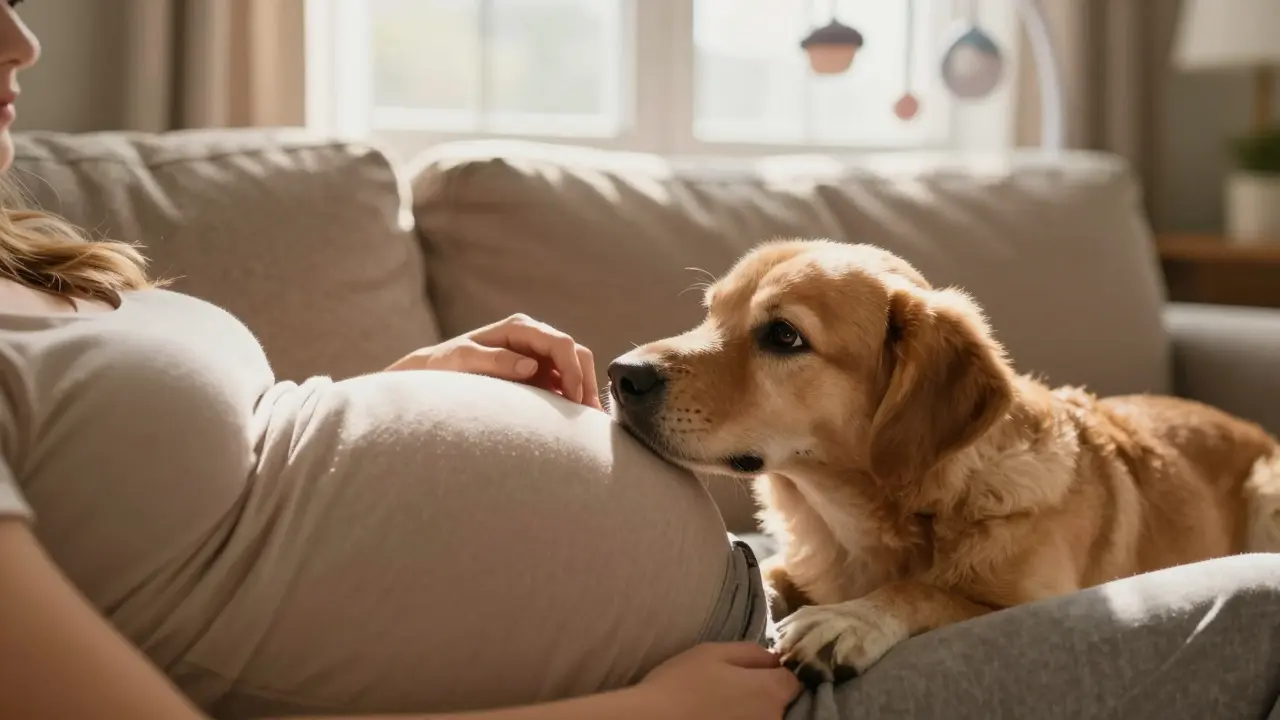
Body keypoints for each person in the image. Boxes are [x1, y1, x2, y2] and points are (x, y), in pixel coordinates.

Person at [1, 3, 1280, 720]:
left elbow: (229, 490)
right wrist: (651, 716)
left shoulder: (31, 260)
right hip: (750, 691)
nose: (25, 41)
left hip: (759, 617)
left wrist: (399, 387)